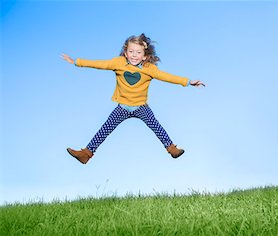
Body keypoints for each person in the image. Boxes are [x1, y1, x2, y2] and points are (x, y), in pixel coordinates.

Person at [62, 33, 205, 164]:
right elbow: (99, 64)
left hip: (141, 107)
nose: (134, 55)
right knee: (105, 129)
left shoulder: (149, 68)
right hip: (122, 107)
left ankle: (172, 149)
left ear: (144, 55)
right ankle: (86, 154)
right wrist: (76, 61)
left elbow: (167, 77)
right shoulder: (118, 63)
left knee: (156, 125)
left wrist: (188, 82)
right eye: (131, 51)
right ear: (126, 52)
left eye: (138, 52)